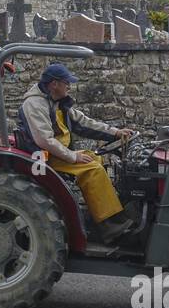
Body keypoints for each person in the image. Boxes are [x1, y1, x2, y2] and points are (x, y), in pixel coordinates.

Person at [16, 63, 137, 240]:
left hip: (59, 153)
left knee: (95, 158)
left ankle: (99, 213)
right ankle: (110, 226)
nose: (69, 86)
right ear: (54, 84)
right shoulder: (34, 104)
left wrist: (115, 132)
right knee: (92, 170)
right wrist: (73, 157)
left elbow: (84, 122)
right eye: (67, 82)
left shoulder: (56, 102)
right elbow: (45, 140)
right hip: (45, 158)